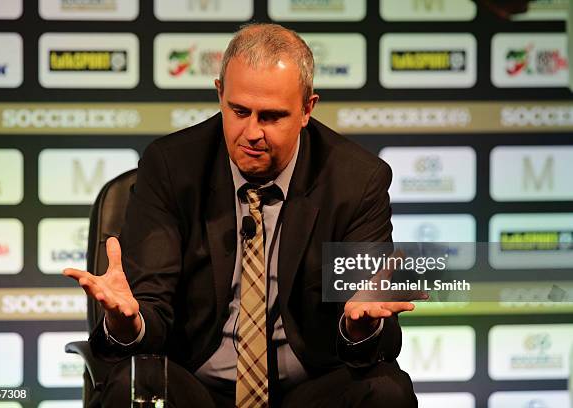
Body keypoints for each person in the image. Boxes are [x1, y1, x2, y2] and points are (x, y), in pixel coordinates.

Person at [64, 23, 418, 408]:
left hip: (308, 387)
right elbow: (150, 310)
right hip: (198, 386)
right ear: (220, 94)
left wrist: (359, 327)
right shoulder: (171, 168)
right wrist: (127, 322)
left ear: (306, 109)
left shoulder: (355, 181)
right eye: (239, 110)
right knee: (133, 384)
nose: (251, 132)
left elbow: (377, 328)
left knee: (386, 390)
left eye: (271, 116)